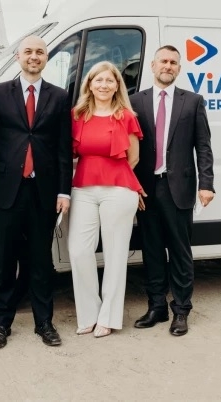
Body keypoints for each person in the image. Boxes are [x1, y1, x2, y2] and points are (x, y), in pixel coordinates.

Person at [0, 35, 72, 349]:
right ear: (17, 57)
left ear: (46, 58)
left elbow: (63, 149)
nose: (34, 56)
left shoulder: (59, 97)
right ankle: (1, 323)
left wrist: (64, 191)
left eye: (39, 52)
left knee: (41, 261)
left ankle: (44, 323)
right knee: (4, 259)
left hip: (43, 191)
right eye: (28, 51)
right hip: (6, 191)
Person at [130, 45, 215, 336]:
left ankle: (181, 310)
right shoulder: (135, 101)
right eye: (163, 61)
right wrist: (131, 185)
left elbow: (203, 146)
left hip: (178, 187)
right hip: (146, 188)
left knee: (180, 251)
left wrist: (206, 184)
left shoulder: (192, 101)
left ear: (179, 68)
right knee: (152, 250)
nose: (167, 66)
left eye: (173, 62)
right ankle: (157, 307)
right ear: (152, 65)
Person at [67, 61, 144, 338]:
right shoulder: (77, 115)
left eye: (109, 80)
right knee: (79, 250)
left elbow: (133, 158)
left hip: (119, 189)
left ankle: (109, 317)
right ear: (89, 84)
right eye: (98, 80)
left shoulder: (127, 116)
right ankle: (89, 314)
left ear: (117, 86)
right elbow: (69, 155)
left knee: (115, 254)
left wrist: (121, 182)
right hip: (83, 188)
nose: (103, 85)